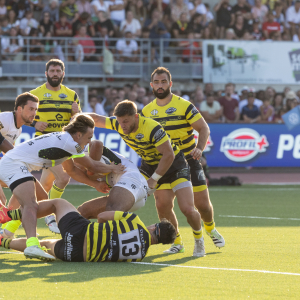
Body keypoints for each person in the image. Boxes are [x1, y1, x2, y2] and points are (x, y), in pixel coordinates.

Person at [87, 100, 205, 257]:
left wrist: (155, 178)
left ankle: (199, 240)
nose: (122, 125)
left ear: (136, 116)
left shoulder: (151, 127)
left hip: (174, 165)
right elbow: (95, 119)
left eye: (126, 121)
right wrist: (74, 116)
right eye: (120, 121)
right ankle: (177, 242)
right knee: (162, 206)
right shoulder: (118, 123)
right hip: (150, 166)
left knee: (188, 209)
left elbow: (168, 154)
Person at [0, 114, 124, 261]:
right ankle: (32, 245)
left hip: (15, 164)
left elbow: (71, 171)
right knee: (30, 205)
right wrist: (114, 167)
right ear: (78, 134)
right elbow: (92, 165)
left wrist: (96, 184)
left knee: (42, 199)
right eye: (89, 137)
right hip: (14, 165)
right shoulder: (71, 144)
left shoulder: (66, 141)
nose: (89, 141)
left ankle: (6, 224)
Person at [142, 67, 225, 254]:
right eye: (157, 82)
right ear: (151, 85)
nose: (160, 85)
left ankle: (210, 229)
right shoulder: (147, 111)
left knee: (202, 205)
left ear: (170, 84)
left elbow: (203, 128)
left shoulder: (184, 105)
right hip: (163, 163)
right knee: (162, 205)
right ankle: (177, 242)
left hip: (188, 160)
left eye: (164, 82)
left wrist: (199, 149)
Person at [0, 199, 176, 262]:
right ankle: (3, 241)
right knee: (44, 244)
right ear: (160, 242)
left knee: (58, 204)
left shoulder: (135, 221)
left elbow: (104, 215)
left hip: (81, 231)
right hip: (76, 256)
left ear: (154, 226)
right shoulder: (140, 255)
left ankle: (9, 215)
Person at [29, 59, 81, 232]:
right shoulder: (35, 94)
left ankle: (10, 226)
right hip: (43, 142)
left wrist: (76, 114)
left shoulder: (72, 95)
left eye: (58, 71)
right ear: (46, 74)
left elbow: (77, 121)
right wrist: (34, 124)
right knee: (63, 178)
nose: (55, 74)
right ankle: (52, 216)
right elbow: (22, 114)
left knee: (44, 187)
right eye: (52, 71)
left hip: (63, 144)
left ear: (63, 74)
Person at [0, 92, 49, 237]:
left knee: (27, 190)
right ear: (19, 109)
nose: (34, 113)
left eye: (35, 109)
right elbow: (8, 149)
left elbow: (9, 155)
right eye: (31, 109)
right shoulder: (4, 118)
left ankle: (7, 229)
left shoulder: (19, 129)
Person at [77, 140, 150, 218]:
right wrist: (96, 183)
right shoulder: (81, 164)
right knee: (82, 212)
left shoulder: (89, 153)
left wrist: (93, 171)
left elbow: (96, 143)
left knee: (110, 215)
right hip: (130, 192)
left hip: (132, 179)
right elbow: (78, 173)